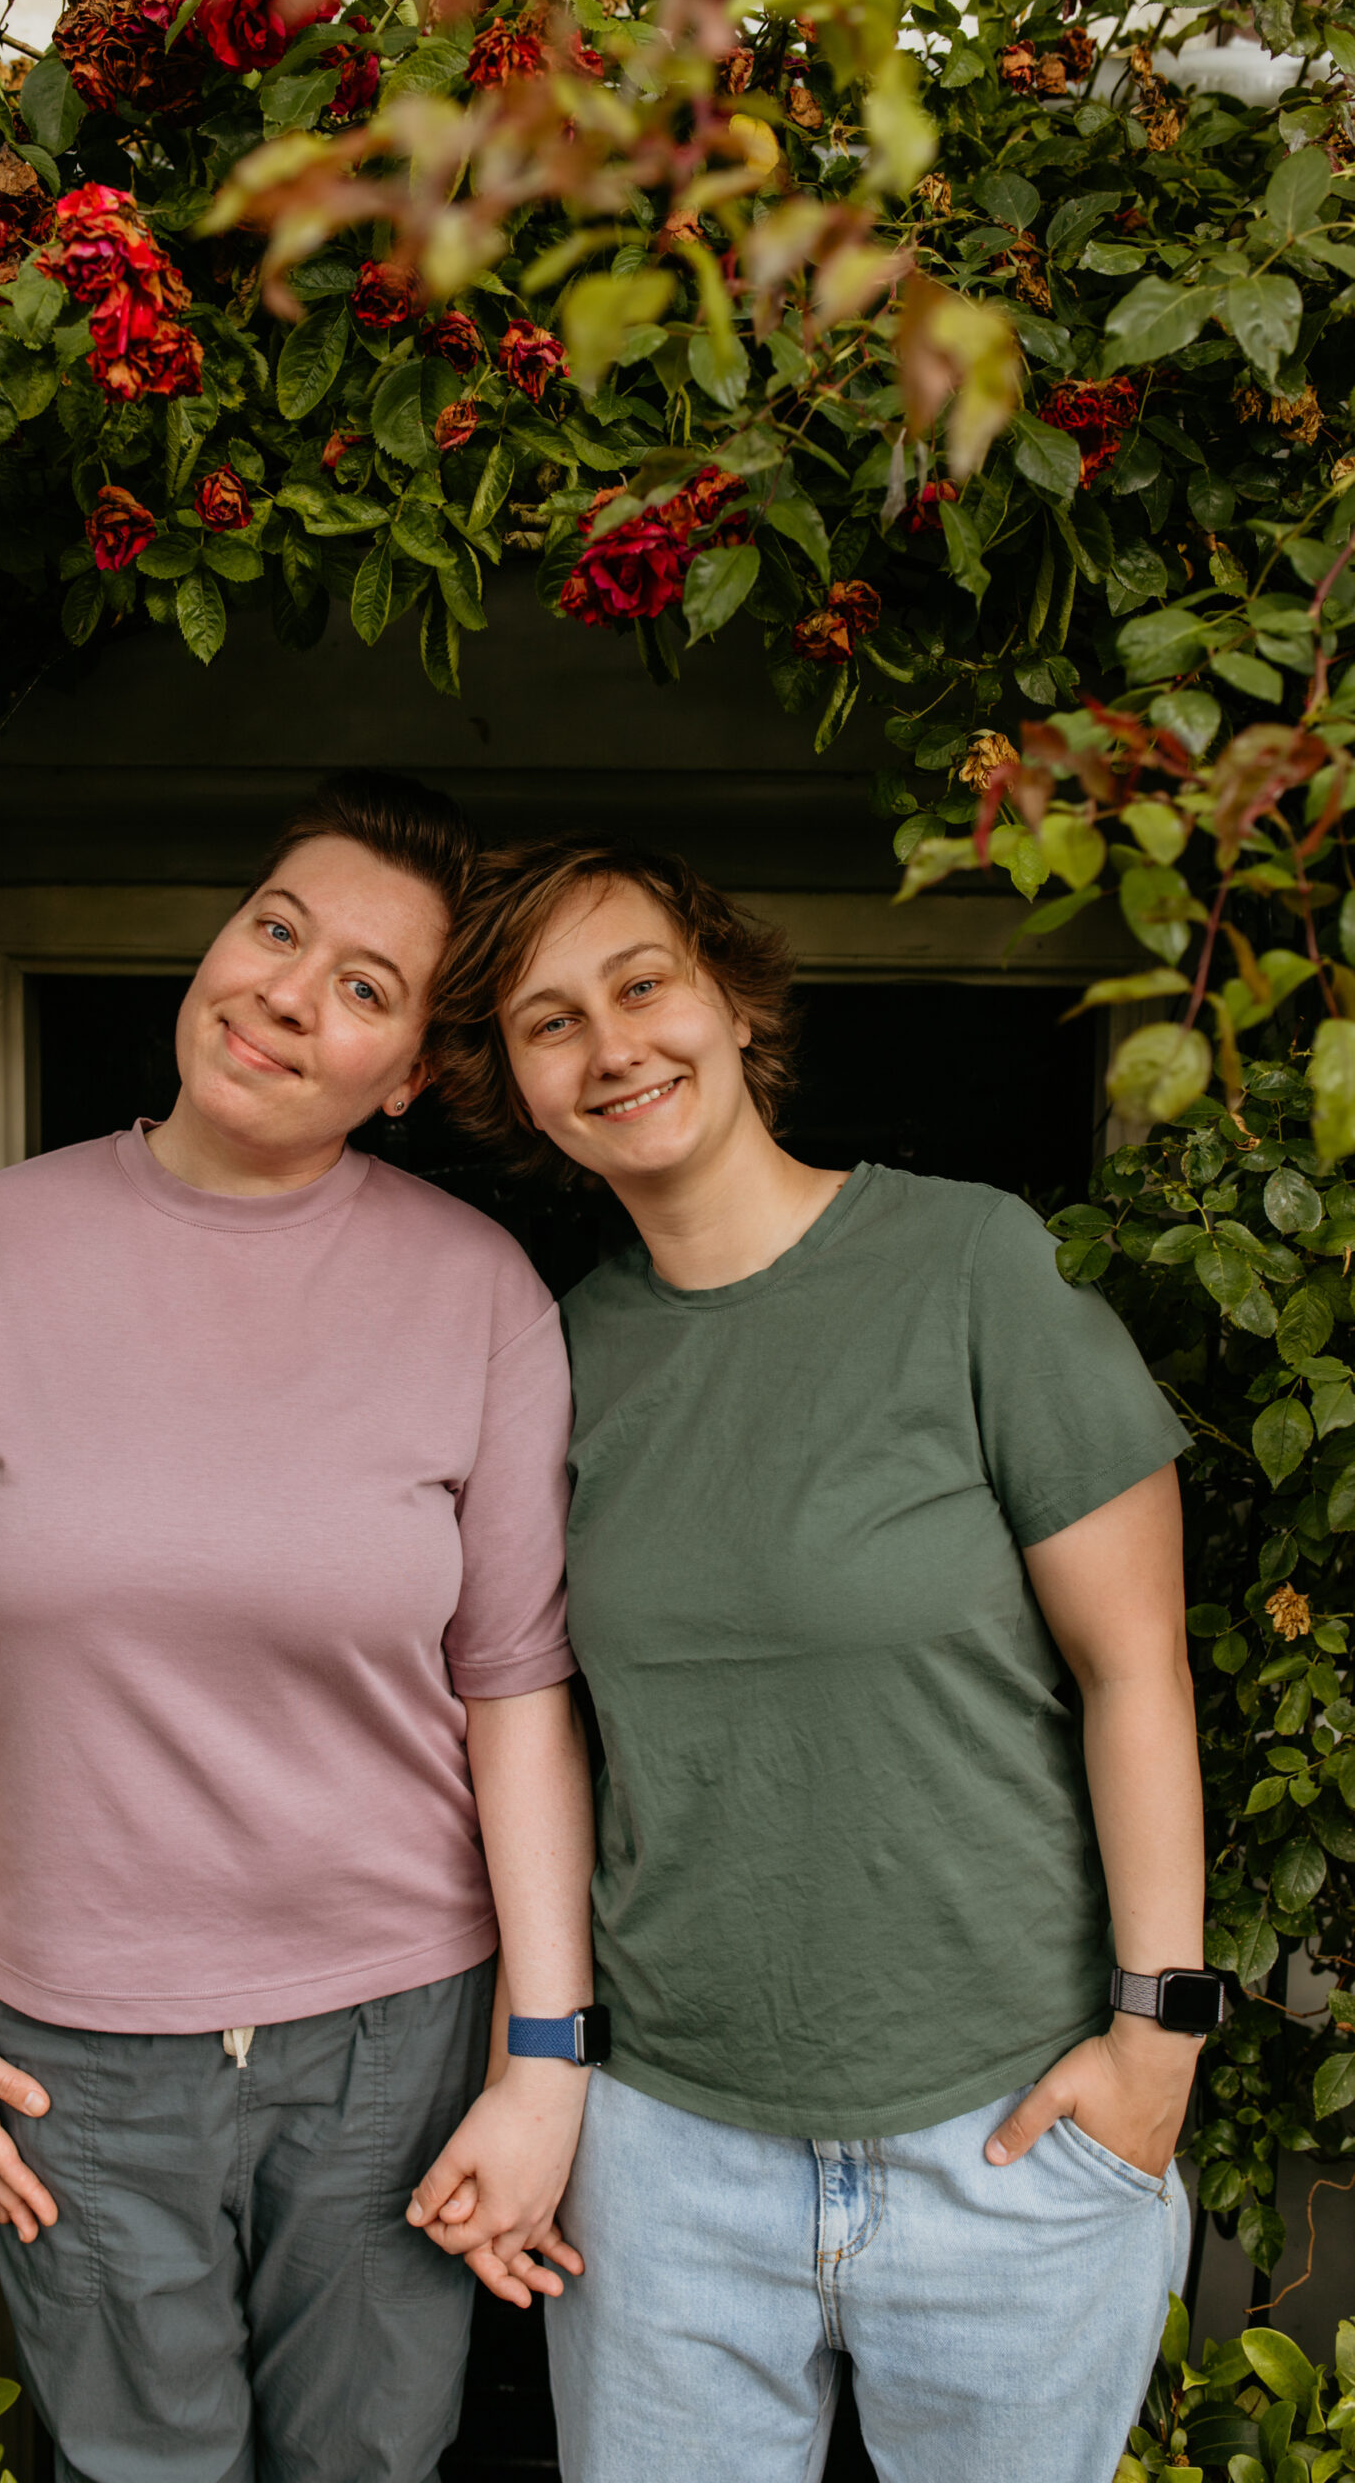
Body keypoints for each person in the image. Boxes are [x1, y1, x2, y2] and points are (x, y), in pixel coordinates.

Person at [0, 777, 596, 2483]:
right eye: (277, 929)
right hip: (66, 2039)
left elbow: (515, 1691)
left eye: (366, 989)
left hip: (397, 2029)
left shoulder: (478, 1296)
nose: (290, 995)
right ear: (223, 937)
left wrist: (541, 2060)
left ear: (414, 1078)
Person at [422, 835, 1210, 2483]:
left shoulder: (972, 1265)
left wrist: (1159, 2038)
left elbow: (1135, 1670)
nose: (613, 1044)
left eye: (641, 984)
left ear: (729, 998)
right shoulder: (552, 1358)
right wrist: (546, 2070)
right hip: (666, 2158)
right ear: (514, 1086)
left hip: (1000, 2137)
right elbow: (539, 1730)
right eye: (547, 1022)